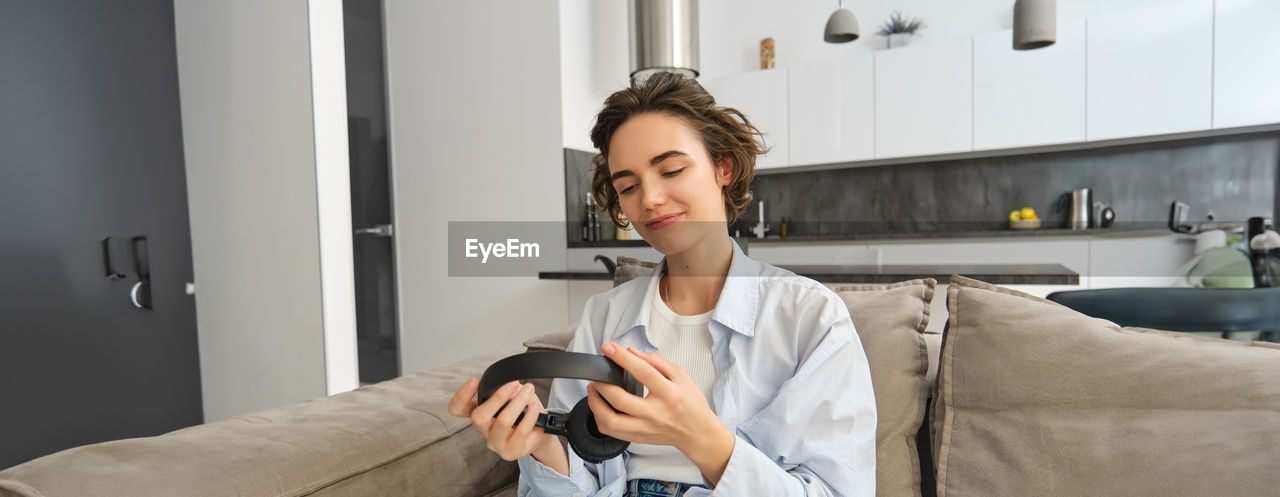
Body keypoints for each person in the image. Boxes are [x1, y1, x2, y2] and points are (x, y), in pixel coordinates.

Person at [449, 72, 876, 497]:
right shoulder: (605, 315)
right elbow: (576, 477)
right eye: (628, 186)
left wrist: (701, 438)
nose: (648, 199)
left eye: (670, 170)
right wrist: (543, 446)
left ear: (722, 167)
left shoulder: (811, 317)